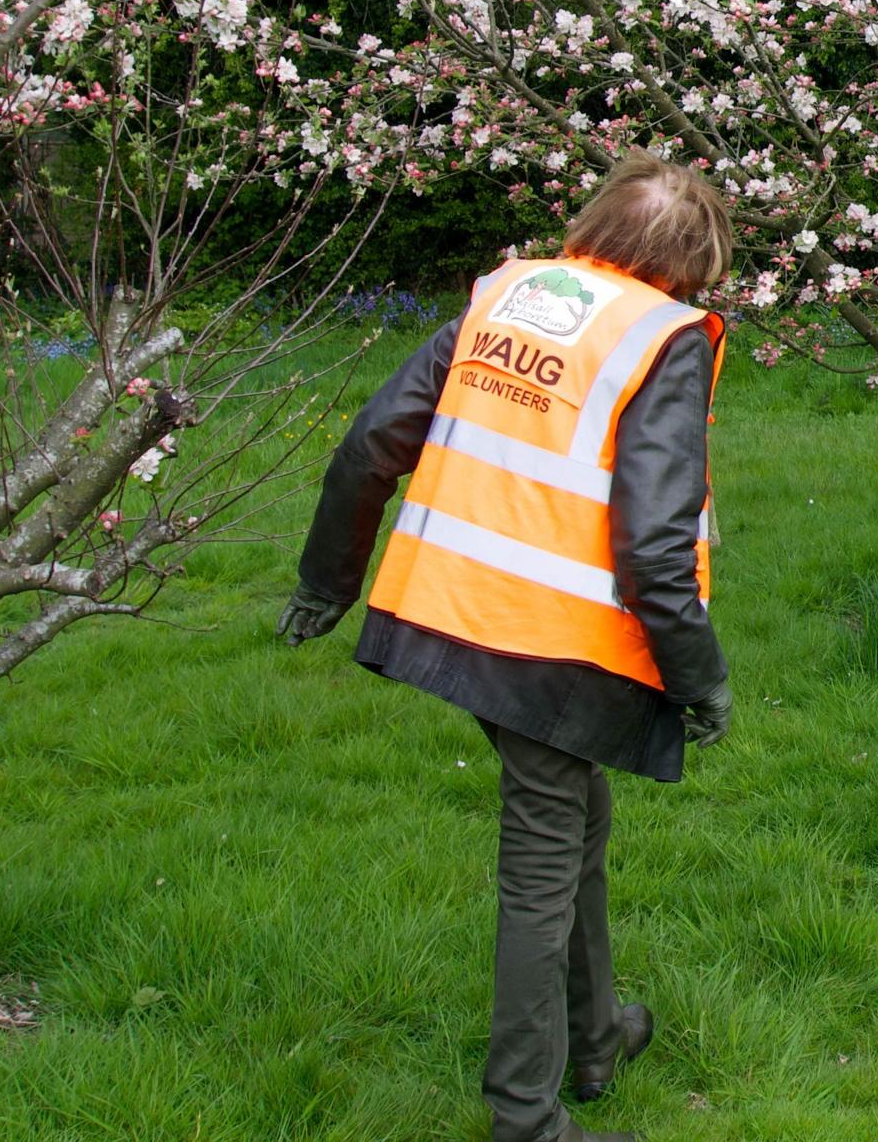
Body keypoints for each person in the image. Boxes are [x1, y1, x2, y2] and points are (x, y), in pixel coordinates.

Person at [278, 154, 736, 1142]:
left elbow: (371, 445)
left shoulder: (508, 293)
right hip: (550, 642)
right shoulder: (664, 336)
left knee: (578, 823)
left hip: (449, 611)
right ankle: (527, 1115)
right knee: (542, 862)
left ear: (598, 225)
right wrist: (700, 680)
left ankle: (597, 1036)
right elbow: (656, 549)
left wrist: (328, 581)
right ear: (688, 265)